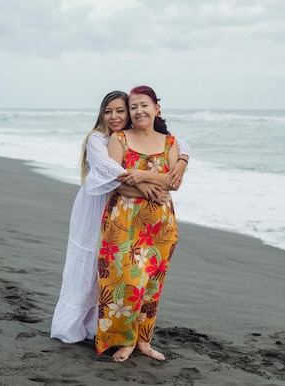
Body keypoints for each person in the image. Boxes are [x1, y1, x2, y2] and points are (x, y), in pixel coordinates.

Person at [50, 91, 189, 344]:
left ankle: (100, 327)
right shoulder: (98, 138)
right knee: (94, 268)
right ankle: (74, 324)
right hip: (98, 204)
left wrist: (182, 160)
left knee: (113, 273)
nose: (114, 116)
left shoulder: (137, 136)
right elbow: (112, 175)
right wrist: (145, 188)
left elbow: (177, 145)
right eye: (108, 111)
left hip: (128, 206)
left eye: (120, 110)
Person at [95, 85, 183, 362]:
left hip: (160, 223)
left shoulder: (170, 143)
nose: (138, 110)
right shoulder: (119, 139)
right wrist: (150, 179)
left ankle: (143, 341)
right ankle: (126, 340)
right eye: (133, 107)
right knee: (127, 281)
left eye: (144, 105)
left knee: (151, 286)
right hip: (123, 220)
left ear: (157, 108)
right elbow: (115, 178)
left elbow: (174, 183)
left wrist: (137, 172)